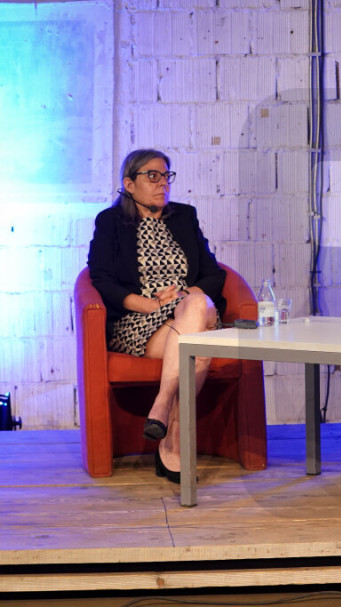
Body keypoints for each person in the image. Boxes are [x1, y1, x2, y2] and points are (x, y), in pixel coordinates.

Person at [87, 149, 225, 484]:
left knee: (197, 304)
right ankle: (173, 443)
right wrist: (144, 303)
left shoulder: (184, 217)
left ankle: (161, 405)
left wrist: (184, 294)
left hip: (188, 309)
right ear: (129, 184)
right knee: (198, 347)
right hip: (141, 322)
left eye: (166, 176)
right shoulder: (110, 222)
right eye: (153, 176)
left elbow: (213, 273)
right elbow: (100, 278)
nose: (163, 183)